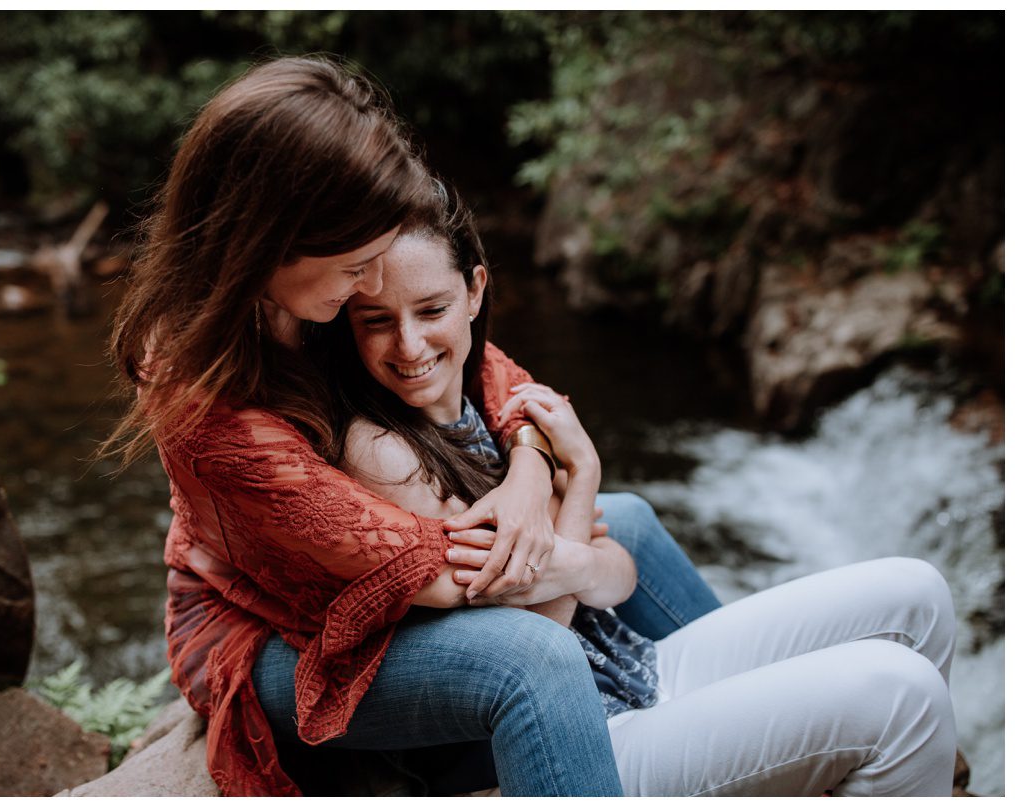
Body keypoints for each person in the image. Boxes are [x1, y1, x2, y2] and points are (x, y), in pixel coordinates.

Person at [104, 55, 716, 797]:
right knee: (533, 656)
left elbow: (500, 377)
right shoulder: (203, 398)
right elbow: (443, 573)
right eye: (358, 264)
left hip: (381, 556)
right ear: (271, 237)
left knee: (635, 527)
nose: (373, 282)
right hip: (271, 627)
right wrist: (565, 490)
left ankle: (723, 711)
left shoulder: (314, 294)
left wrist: (526, 474)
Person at [323, 183, 960, 796]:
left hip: (626, 668)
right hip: (569, 739)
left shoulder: (488, 395)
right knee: (899, 695)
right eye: (376, 320)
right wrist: (582, 481)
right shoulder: (383, 451)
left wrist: (569, 548)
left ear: (475, 291)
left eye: (431, 309)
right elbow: (539, 634)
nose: (409, 344)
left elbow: (616, 577)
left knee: (917, 594)